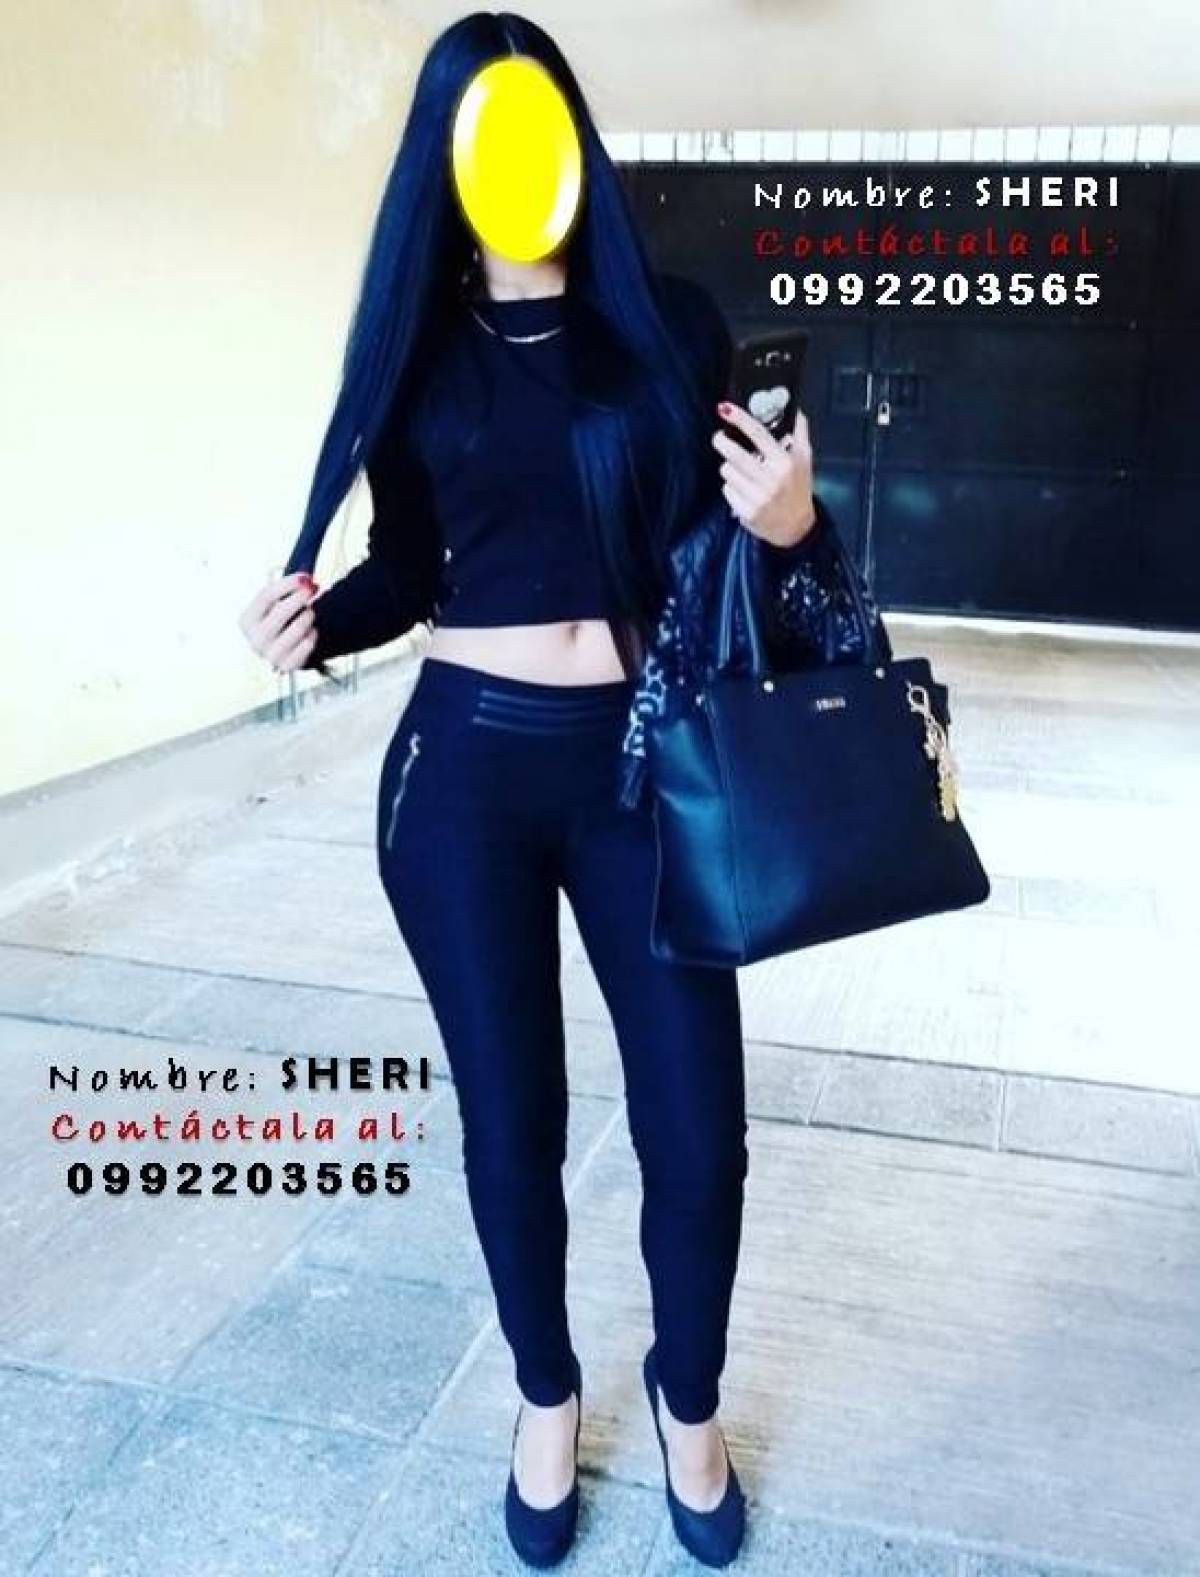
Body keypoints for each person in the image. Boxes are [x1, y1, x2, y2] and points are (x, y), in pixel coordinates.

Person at [238, 12, 819, 1567]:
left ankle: (686, 1399)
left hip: (644, 765)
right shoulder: (419, 353)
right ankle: (547, 1394)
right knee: (514, 1121)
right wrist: (316, 621)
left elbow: (728, 555)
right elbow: (414, 567)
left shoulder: (667, 329)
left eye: (534, 124)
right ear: (448, 158)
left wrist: (792, 523)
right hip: (464, 774)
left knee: (699, 1127)